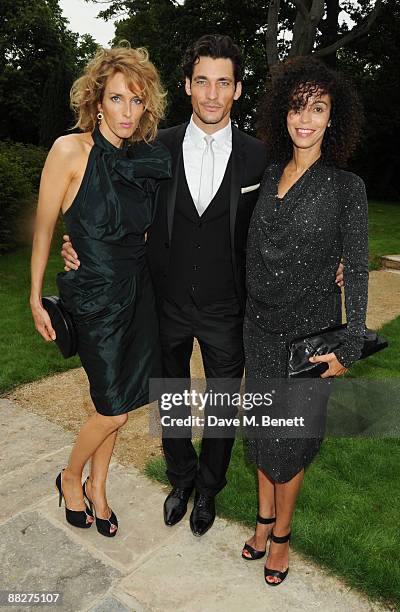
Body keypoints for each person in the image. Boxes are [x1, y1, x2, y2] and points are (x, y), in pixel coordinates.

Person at [61, 36, 344, 538]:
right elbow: (105, 200)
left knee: (221, 405)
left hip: (229, 307)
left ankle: (209, 489)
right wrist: (79, 241)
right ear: (189, 85)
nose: (212, 94)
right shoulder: (154, 148)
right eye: (203, 81)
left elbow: (295, 211)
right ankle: (180, 478)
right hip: (162, 301)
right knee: (168, 397)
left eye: (224, 83)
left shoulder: (262, 158)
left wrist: (337, 258)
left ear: (237, 90)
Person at [30, 46, 171, 537]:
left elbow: (148, 233)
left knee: (122, 403)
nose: (127, 111)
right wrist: (34, 296)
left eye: (136, 101)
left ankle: (99, 487)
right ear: (97, 102)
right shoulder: (69, 151)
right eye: (117, 99)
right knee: (111, 407)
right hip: (92, 297)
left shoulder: (145, 160)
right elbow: (45, 228)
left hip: (138, 293)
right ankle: (71, 478)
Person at [241, 57, 369, 586]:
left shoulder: (346, 188)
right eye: (298, 107)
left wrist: (352, 342)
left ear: (332, 117)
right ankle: (262, 519)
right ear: (282, 113)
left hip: (308, 338)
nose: (306, 119)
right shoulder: (269, 174)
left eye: (318, 108)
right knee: (261, 435)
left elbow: (357, 266)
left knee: (289, 445)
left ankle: (282, 537)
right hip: (260, 330)